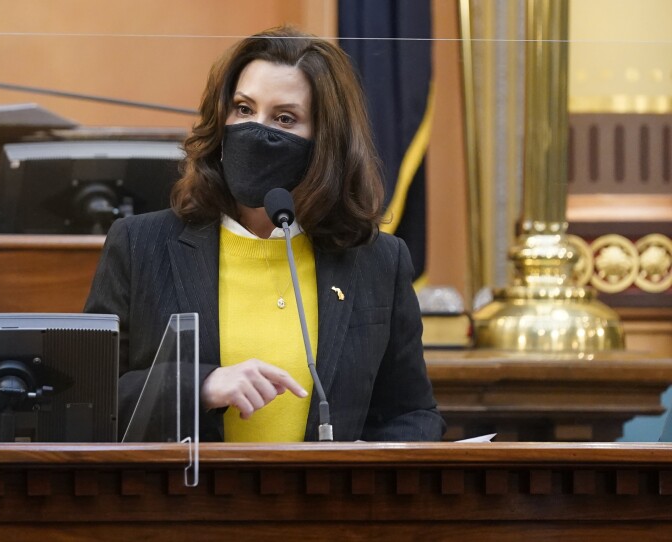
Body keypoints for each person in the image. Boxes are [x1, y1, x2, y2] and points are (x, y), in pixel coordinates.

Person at [85, 26, 445, 442]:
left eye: (284, 118)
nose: (257, 129)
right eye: (243, 109)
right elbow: (90, 397)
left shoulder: (378, 260)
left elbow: (414, 413)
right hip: (183, 501)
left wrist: (364, 472)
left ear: (325, 142)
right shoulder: (139, 244)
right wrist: (199, 387)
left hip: (322, 504)